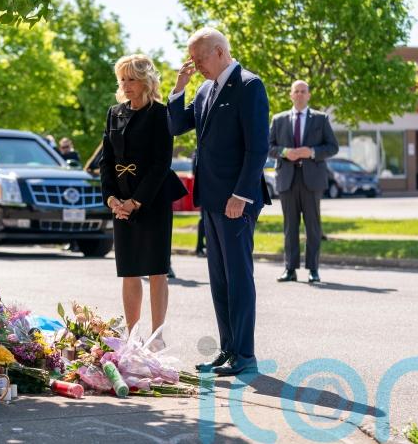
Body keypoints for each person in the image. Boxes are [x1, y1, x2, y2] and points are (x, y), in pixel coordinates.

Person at [167, 27, 270, 376]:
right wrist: (179, 88)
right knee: (220, 280)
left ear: (220, 52)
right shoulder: (204, 89)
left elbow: (258, 147)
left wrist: (241, 194)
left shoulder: (249, 85)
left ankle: (245, 354)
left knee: (238, 277)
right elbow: (175, 125)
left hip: (236, 199)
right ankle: (228, 349)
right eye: (192, 60)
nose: (195, 65)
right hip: (211, 199)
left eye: (199, 59)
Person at [100, 54, 186, 341]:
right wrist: (112, 199)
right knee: (129, 270)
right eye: (122, 79)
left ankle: (156, 336)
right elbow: (106, 160)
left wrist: (136, 202)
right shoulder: (114, 113)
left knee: (156, 269)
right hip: (121, 202)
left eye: (132, 79)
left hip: (152, 200)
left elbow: (162, 163)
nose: (126, 85)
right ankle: (132, 336)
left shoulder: (161, 114)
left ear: (146, 81)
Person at [269, 80, 338, 283]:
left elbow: (332, 147)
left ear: (309, 95)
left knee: (313, 227)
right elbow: (268, 146)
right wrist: (284, 152)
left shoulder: (321, 119)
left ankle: (313, 270)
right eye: (296, 91)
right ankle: (289, 269)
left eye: (303, 91)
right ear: (291, 95)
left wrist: (312, 152)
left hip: (312, 180)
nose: (299, 94)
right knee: (290, 226)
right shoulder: (278, 119)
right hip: (287, 179)